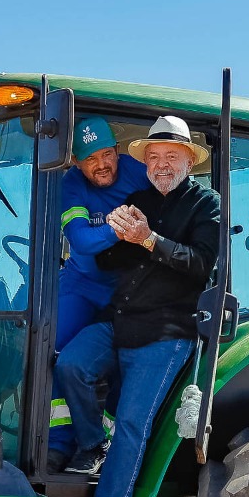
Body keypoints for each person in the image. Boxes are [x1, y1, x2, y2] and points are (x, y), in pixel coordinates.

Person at [55, 115, 221, 497]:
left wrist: (148, 240)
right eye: (154, 156)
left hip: (167, 331)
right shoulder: (139, 200)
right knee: (71, 364)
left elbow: (200, 265)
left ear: (188, 159)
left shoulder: (207, 205)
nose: (162, 163)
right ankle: (91, 445)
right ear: (144, 162)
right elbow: (110, 262)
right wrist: (115, 233)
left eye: (171, 156)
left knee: (131, 422)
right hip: (121, 320)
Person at [46, 117, 148, 470]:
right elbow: (81, 241)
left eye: (107, 154)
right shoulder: (71, 185)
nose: (101, 165)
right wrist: (122, 229)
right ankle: (58, 443)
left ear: (118, 152)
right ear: (76, 162)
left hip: (128, 292)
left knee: (129, 359)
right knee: (49, 349)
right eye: (90, 159)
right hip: (83, 284)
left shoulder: (141, 174)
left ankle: (103, 440)